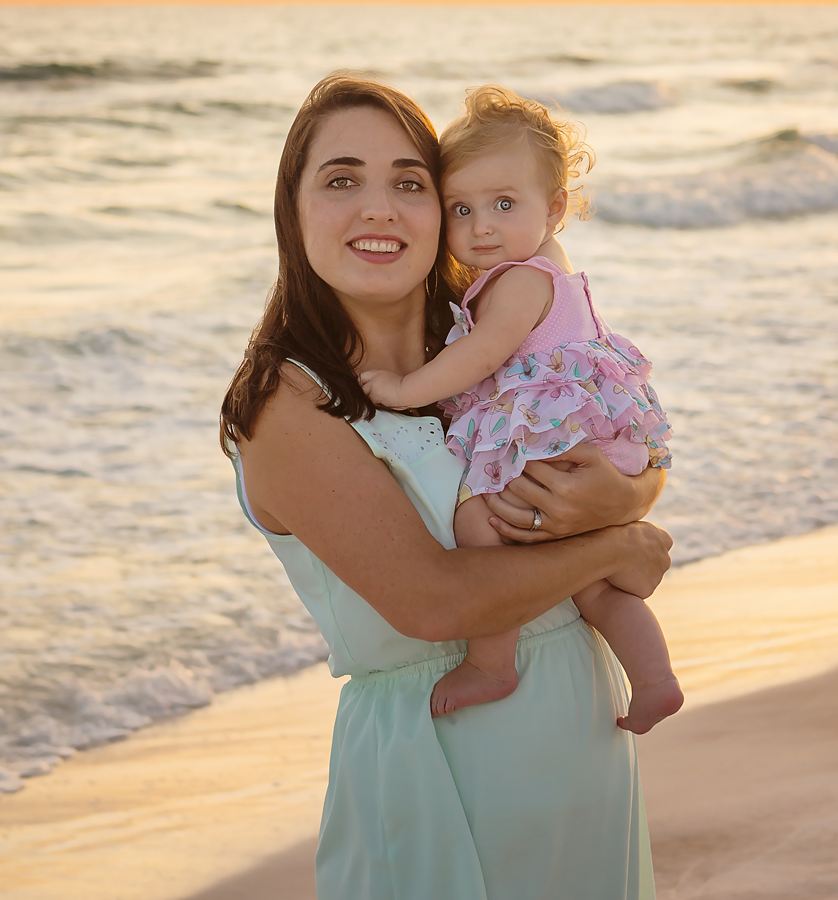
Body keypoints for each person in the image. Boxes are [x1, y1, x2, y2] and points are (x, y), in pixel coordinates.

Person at [220, 72, 671, 900]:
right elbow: (433, 603)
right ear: (293, 210)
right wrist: (620, 541)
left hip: (581, 737)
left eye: (410, 183)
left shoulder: (482, 341)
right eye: (342, 179)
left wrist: (635, 494)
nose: (380, 208)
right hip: (441, 762)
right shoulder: (287, 404)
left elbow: (612, 422)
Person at [359, 86, 681, 734]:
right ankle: (655, 679)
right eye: (461, 208)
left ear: (555, 208)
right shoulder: (550, 263)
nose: (481, 226)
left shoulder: (518, 280)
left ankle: (491, 661)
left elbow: (482, 354)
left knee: (481, 526)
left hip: (553, 434)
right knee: (593, 589)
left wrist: (403, 389)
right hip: (592, 435)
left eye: (504, 204)